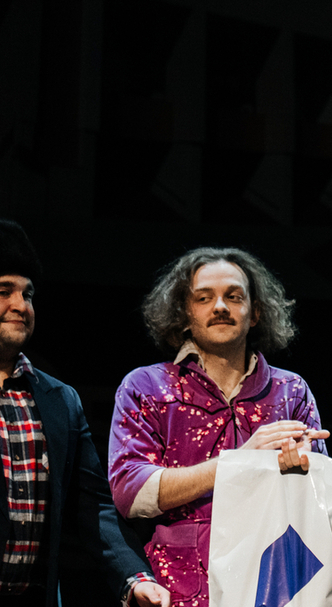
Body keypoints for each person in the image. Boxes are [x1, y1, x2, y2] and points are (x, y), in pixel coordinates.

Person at [107, 247, 328, 607]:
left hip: (275, 589)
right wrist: (239, 462)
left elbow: (320, 501)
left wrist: (304, 469)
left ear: (255, 313)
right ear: (184, 313)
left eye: (234, 296)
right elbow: (131, 491)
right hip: (179, 593)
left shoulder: (290, 390)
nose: (221, 307)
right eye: (204, 298)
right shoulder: (147, 386)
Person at [0, 219, 170, 607]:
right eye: (4, 291)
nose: (20, 305)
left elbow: (93, 505)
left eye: (27, 294)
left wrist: (135, 577)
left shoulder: (59, 400)